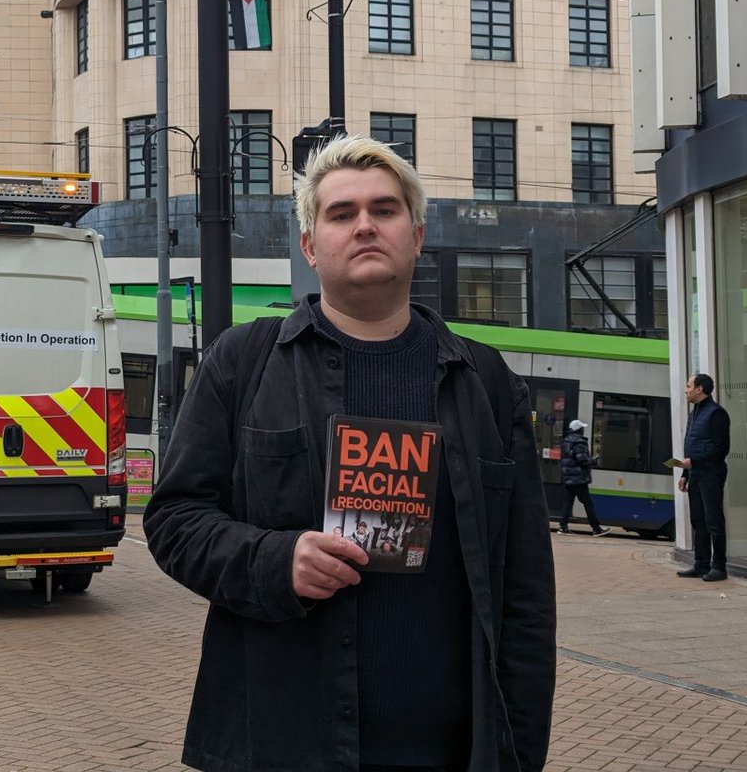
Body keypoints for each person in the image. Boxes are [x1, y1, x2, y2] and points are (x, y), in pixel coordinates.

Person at [144, 135, 556, 772]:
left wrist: (521, 751)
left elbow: (525, 591)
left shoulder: (487, 382)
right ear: (311, 247)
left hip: (450, 750)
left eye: (384, 210)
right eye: (341, 214)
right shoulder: (242, 364)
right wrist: (276, 561)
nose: (365, 225)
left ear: (416, 236)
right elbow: (173, 522)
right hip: (281, 745)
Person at [676, 373, 731, 582]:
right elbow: (692, 446)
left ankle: (719, 567)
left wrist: (694, 463)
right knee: (698, 520)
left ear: (700, 389)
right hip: (696, 473)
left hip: (711, 474)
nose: (686, 389)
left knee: (713, 521)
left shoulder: (717, 414)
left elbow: (722, 449)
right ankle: (701, 564)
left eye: (689, 386)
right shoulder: (695, 413)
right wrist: (685, 473)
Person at [558, 419, 609, 536]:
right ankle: (596, 528)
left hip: (568, 477)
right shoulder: (579, 442)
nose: (584, 430)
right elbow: (582, 460)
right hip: (578, 478)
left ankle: (563, 527)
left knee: (568, 502)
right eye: (582, 428)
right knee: (588, 503)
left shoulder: (566, 441)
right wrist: (593, 461)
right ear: (579, 430)